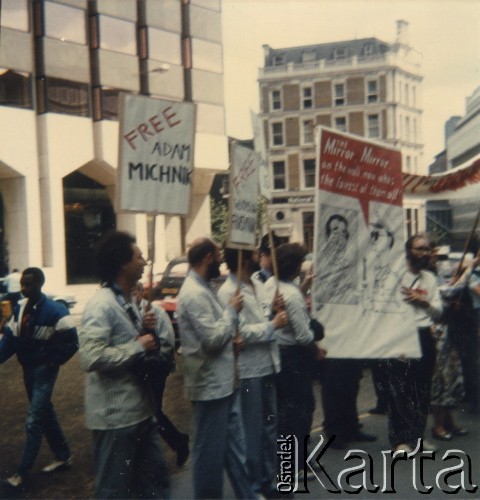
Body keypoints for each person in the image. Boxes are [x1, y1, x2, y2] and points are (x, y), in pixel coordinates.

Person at [79, 231, 169, 499]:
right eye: (139, 257)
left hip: (140, 412)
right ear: (123, 264)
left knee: (155, 485)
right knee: (113, 490)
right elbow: (91, 357)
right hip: (115, 419)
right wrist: (137, 346)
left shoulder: (129, 301)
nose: (144, 262)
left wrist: (144, 330)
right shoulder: (101, 305)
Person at [177, 237, 256, 499]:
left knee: (235, 446)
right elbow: (211, 339)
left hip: (223, 381)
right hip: (209, 385)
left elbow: (216, 334)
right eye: (219, 258)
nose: (222, 264)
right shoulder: (193, 293)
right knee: (208, 453)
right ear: (208, 257)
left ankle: (249, 494)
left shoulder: (204, 288)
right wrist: (232, 312)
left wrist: (233, 339)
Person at [0, 267, 78, 491]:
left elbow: (72, 342)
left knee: (34, 420)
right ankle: (63, 456)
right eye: (22, 284)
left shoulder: (56, 311)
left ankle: (22, 474)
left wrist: (52, 361)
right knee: (44, 413)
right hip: (28, 370)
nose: (23, 288)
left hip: (44, 371)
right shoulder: (19, 308)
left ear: (40, 284)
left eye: (28, 284)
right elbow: (9, 341)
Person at [219, 247, 288, 498]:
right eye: (253, 255)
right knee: (251, 430)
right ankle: (253, 486)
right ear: (243, 259)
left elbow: (260, 319)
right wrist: (272, 325)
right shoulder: (228, 292)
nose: (259, 259)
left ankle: (269, 480)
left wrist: (272, 311)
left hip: (268, 364)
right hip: (248, 370)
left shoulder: (257, 286)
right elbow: (241, 332)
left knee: (269, 427)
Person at [264, 243, 322, 479]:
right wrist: (316, 349)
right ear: (294, 266)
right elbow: (303, 334)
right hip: (293, 357)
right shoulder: (291, 296)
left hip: (277, 353)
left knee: (285, 411)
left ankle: (294, 459)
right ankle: (295, 465)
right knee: (300, 410)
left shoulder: (271, 285)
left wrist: (304, 287)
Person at [384, 233, 443, 452]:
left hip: (423, 335)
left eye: (428, 249)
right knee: (400, 390)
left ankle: (418, 438)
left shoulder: (430, 279)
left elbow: (438, 312)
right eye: (420, 248)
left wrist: (423, 301)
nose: (425, 253)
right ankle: (400, 440)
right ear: (408, 250)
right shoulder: (395, 277)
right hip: (400, 335)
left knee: (421, 389)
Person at [132, 281, 189, 466]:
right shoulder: (129, 312)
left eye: (135, 290)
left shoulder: (155, 312)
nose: (132, 295)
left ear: (141, 292)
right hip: (138, 369)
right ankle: (177, 441)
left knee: (152, 410)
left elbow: (168, 341)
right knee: (149, 410)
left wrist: (154, 355)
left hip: (156, 369)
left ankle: (178, 442)